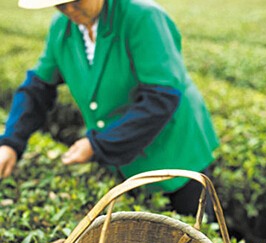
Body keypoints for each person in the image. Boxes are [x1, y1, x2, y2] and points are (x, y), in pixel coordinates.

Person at [0, 0, 219, 216]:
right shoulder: (62, 28)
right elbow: (37, 89)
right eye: (60, 4)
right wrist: (11, 142)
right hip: (123, 155)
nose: (68, 9)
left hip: (174, 148)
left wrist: (98, 145)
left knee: (192, 229)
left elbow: (162, 97)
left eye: (76, 1)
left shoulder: (142, 17)